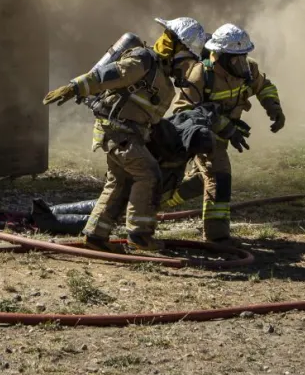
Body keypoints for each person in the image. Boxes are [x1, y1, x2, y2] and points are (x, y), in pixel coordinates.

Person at [42, 17, 208, 252]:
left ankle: (95, 235)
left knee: (119, 182)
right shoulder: (144, 61)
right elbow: (111, 74)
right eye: (188, 59)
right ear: (175, 47)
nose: (187, 67)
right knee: (149, 175)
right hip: (118, 132)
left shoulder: (164, 81)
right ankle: (140, 236)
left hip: (129, 134)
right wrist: (75, 86)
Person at [171, 22, 285, 246]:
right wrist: (222, 124)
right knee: (220, 176)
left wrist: (275, 109)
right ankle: (217, 235)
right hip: (203, 139)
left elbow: (265, 86)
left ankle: (152, 201)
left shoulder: (248, 71)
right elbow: (182, 112)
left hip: (223, 137)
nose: (242, 63)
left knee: (198, 181)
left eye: (243, 56)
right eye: (236, 58)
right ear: (220, 56)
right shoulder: (201, 75)